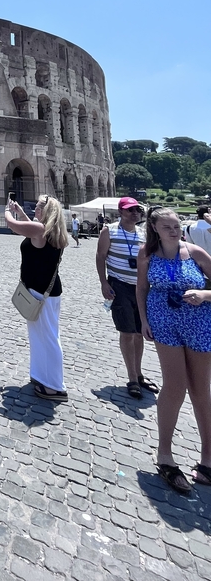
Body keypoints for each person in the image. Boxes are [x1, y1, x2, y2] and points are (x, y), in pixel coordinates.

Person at [136, 207, 211, 494]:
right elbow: (141, 289)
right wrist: (144, 321)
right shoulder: (147, 254)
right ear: (154, 228)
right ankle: (165, 455)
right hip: (164, 324)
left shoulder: (195, 252)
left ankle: (208, 459)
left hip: (199, 323)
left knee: (201, 389)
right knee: (174, 386)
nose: (174, 231)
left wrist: (203, 294)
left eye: (177, 226)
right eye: (167, 227)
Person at [5, 193, 69, 401]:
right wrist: (21, 212)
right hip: (46, 292)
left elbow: (13, 226)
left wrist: (7, 211)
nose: (35, 210)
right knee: (41, 336)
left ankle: (55, 386)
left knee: (48, 338)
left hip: (42, 293)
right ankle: (41, 376)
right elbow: (29, 229)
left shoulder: (40, 230)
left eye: (39, 207)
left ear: (46, 211)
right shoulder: (50, 231)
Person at [96, 197, 157, 399]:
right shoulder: (109, 231)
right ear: (121, 212)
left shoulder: (143, 233)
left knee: (139, 332)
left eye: (137, 210)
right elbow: (100, 256)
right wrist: (104, 282)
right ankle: (132, 378)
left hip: (141, 287)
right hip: (119, 286)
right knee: (127, 332)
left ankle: (139, 374)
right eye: (130, 210)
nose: (135, 213)